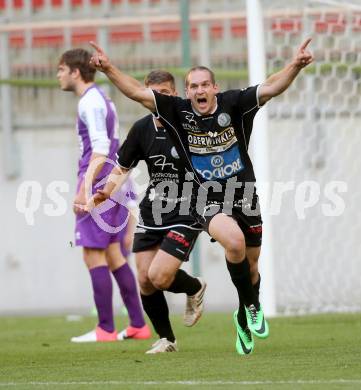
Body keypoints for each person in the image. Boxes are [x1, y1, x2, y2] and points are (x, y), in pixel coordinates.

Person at [88, 38, 314, 355]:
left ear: (214, 87)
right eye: (193, 86)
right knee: (231, 242)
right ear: (188, 91)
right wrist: (109, 68)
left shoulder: (235, 103)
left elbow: (272, 87)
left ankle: (246, 309)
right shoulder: (176, 112)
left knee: (251, 268)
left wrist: (295, 65)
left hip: (243, 193)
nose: (199, 90)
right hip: (207, 198)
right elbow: (136, 93)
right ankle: (236, 312)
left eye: (204, 84)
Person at [94, 70, 207, 354]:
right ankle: (167, 339)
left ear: (175, 95)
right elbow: (122, 167)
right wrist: (106, 191)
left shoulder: (189, 124)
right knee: (144, 278)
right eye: (154, 93)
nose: (158, 99)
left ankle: (194, 286)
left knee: (160, 276)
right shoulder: (142, 128)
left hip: (188, 207)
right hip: (154, 208)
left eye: (165, 94)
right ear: (145, 95)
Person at [57, 48, 151, 343]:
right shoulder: (102, 99)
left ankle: (106, 329)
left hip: (99, 185)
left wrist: (85, 187)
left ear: (75, 71)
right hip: (113, 184)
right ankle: (137, 324)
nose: (58, 75)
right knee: (113, 254)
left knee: (92, 254)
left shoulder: (91, 102)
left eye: (61, 69)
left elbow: (99, 147)